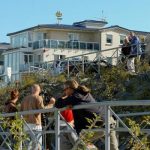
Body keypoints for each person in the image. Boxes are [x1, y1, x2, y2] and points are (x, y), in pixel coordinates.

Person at [55, 79, 118, 150]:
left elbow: (58, 104)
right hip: (108, 120)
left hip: (99, 124)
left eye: (65, 89)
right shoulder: (83, 93)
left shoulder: (76, 96)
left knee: (80, 144)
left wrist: (65, 97)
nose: (64, 91)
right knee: (113, 148)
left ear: (69, 88)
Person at [20, 84, 55, 150]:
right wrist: (51, 104)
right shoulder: (38, 97)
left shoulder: (24, 99)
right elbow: (43, 110)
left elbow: (20, 112)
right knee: (36, 146)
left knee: (27, 147)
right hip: (35, 125)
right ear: (38, 90)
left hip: (26, 125)